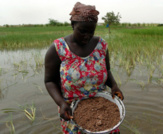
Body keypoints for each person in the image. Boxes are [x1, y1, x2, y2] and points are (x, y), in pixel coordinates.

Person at [44, 2, 124, 134]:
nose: (87, 36)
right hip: (72, 110)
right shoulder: (58, 48)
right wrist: (61, 103)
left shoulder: (101, 46)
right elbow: (49, 81)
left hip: (102, 108)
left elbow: (107, 70)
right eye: (82, 31)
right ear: (73, 25)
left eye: (91, 32)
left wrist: (114, 85)